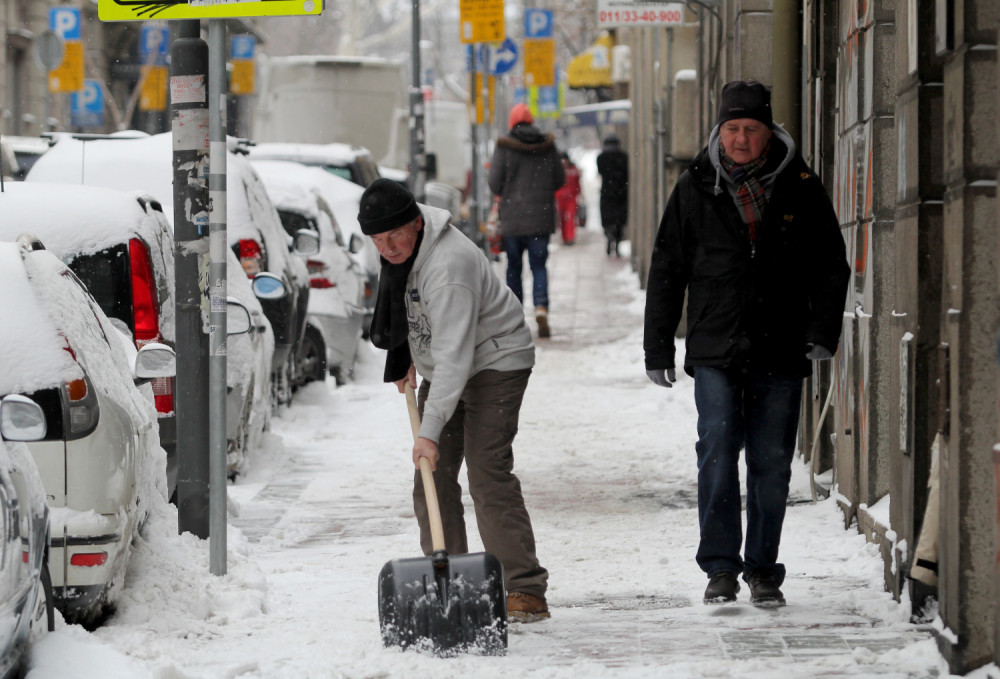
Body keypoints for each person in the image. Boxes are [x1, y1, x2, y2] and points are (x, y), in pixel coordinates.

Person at [643, 81, 850, 607]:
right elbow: (667, 268)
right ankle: (719, 567)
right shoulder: (695, 186)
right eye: (732, 128)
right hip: (715, 344)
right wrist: (658, 348)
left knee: (772, 463)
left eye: (751, 129)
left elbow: (830, 263)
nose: (740, 139)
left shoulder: (800, 186)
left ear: (768, 132)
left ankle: (762, 569)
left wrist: (822, 331)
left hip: (780, 346)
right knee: (716, 451)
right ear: (720, 131)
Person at [359, 177, 551, 622]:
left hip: (496, 361)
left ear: (415, 223)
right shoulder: (406, 249)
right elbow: (411, 310)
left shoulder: (448, 267)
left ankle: (524, 587)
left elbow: (454, 356)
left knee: (487, 473)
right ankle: (454, 585)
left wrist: (428, 433)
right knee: (432, 475)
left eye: (394, 236)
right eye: (377, 240)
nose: (387, 248)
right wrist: (406, 354)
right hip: (451, 363)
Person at [488, 102, 565, 339]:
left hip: (512, 221)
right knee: (539, 266)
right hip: (540, 219)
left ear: (512, 122)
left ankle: (515, 317)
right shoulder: (547, 146)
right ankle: (541, 307)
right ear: (531, 121)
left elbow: (494, 183)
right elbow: (560, 179)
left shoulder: (504, 147)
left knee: (514, 267)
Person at [596, 134, 629, 257]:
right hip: (621, 192)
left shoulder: (601, 157)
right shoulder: (624, 157)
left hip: (606, 192)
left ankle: (609, 235)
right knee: (620, 218)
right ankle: (617, 241)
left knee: (607, 218)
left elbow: (600, 171)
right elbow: (627, 173)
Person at [555, 152, 582, 245]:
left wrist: (578, 193)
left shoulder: (573, 169)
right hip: (560, 198)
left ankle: (570, 237)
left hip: (571, 198)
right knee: (562, 218)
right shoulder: (558, 170)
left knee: (570, 217)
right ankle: (565, 237)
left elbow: (577, 182)